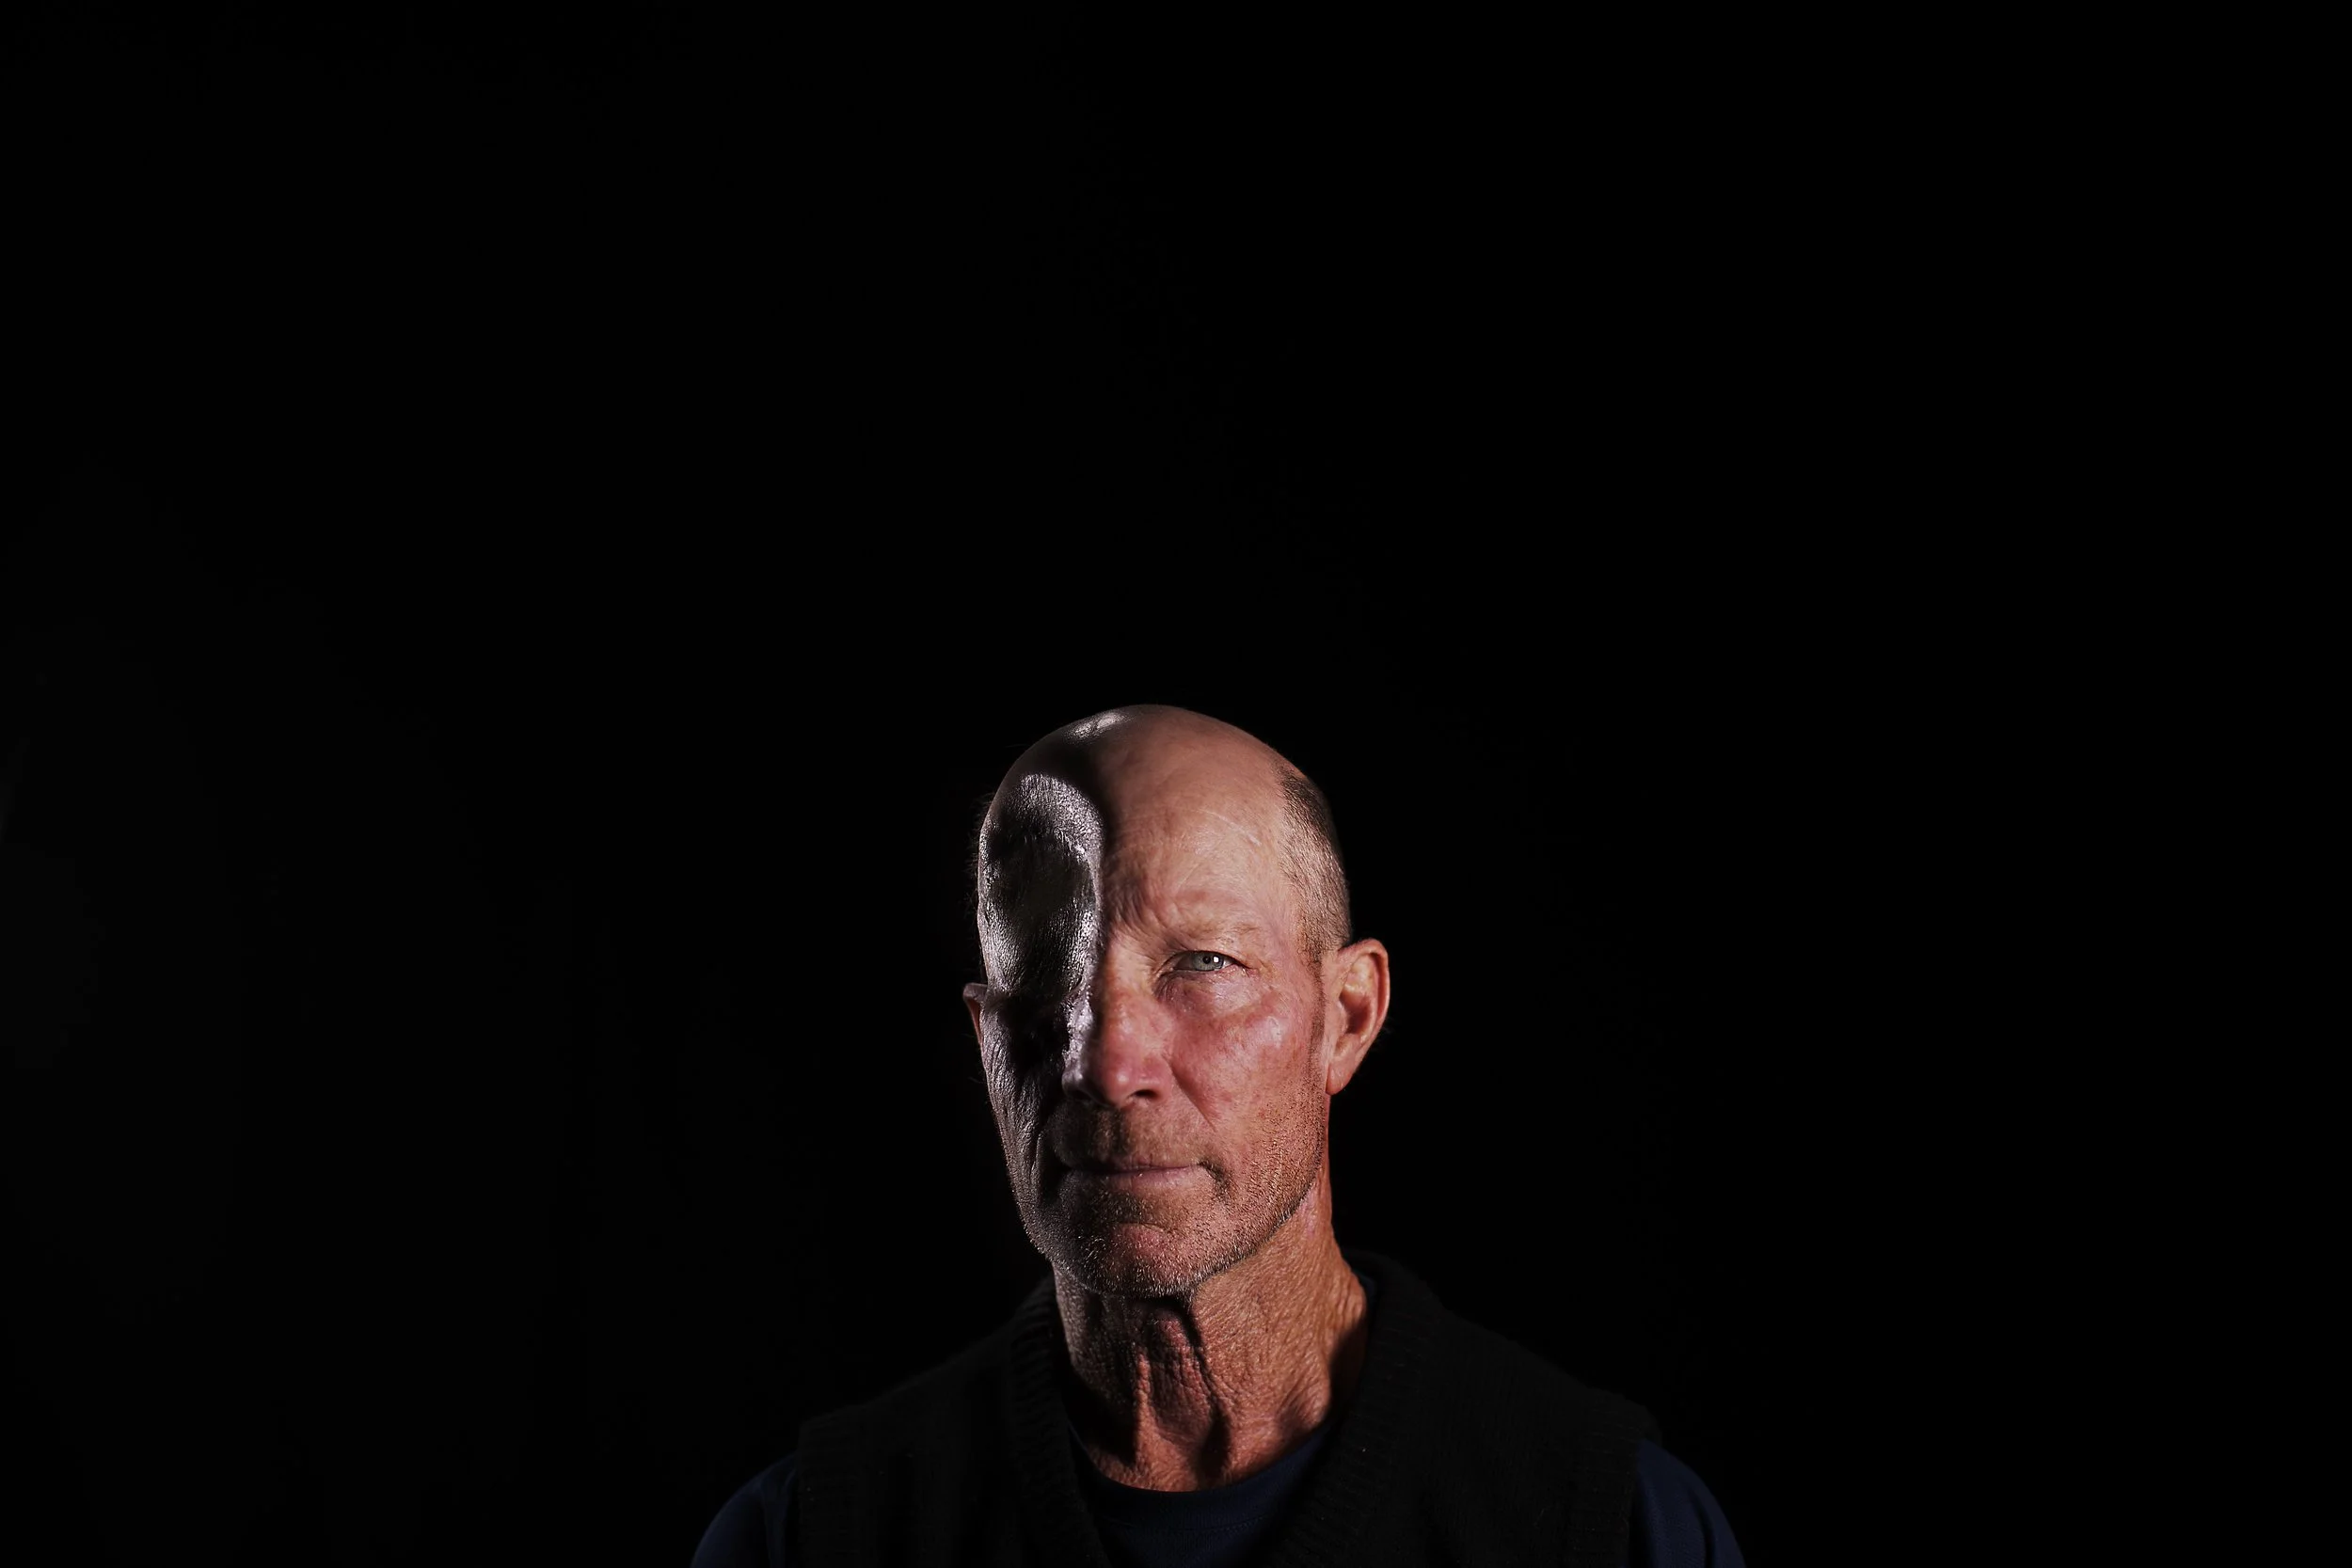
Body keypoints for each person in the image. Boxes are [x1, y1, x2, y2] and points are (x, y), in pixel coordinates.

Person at [694, 705, 1743, 1567]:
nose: (1107, 1063)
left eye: (1201, 963)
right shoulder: (807, 1536)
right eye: (1044, 982)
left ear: (1346, 1018)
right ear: (984, 1037)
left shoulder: (1607, 1527)